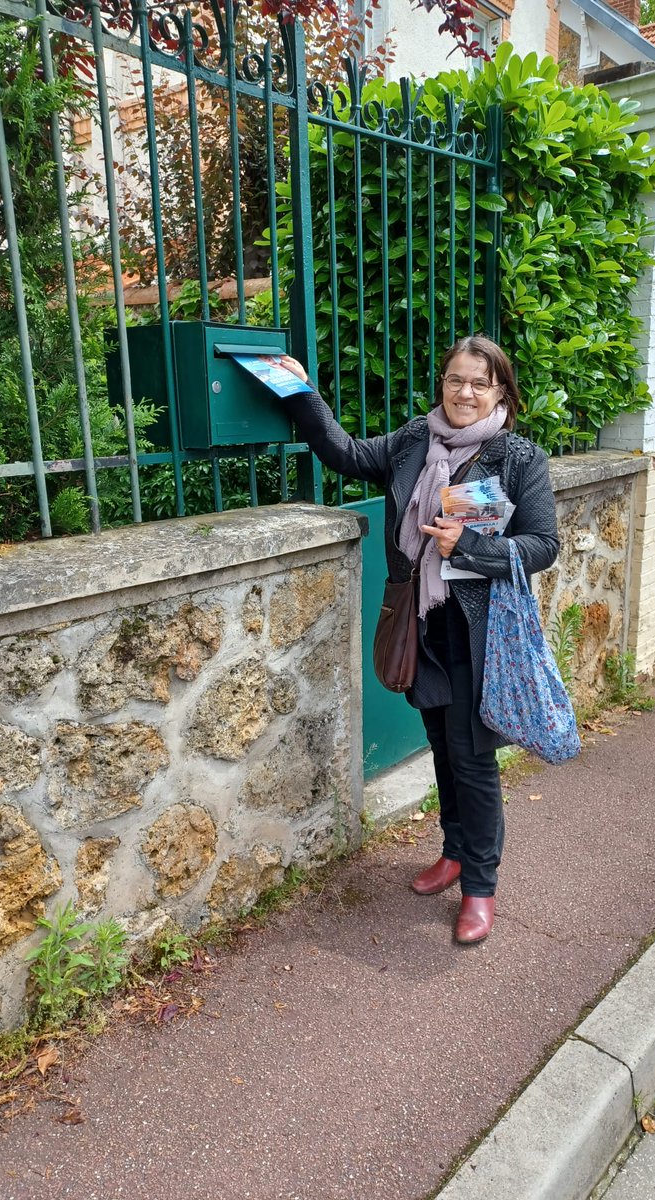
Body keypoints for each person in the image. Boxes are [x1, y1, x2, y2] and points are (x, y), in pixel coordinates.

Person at [277, 335, 559, 944]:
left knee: (472, 758)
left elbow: (543, 546)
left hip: (478, 632)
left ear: (501, 393)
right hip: (421, 622)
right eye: (455, 380)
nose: (465, 392)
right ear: (443, 384)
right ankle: (454, 852)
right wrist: (300, 391)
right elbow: (346, 453)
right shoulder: (413, 440)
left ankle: (479, 885)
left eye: (479, 383)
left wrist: (472, 545)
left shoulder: (518, 458)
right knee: (441, 745)